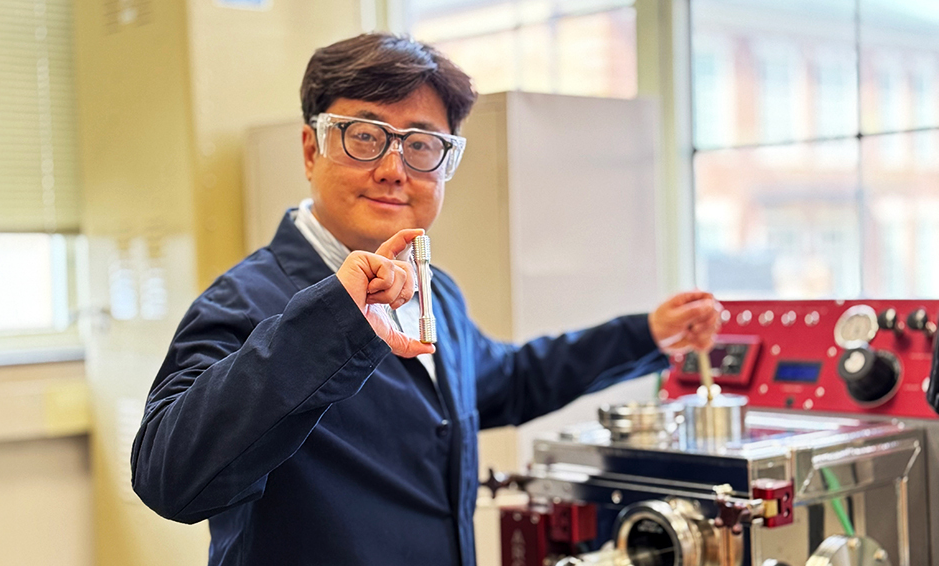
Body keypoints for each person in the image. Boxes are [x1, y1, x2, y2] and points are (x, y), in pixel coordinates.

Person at [131, 33, 719, 566]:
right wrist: (335, 318)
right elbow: (168, 476)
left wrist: (644, 335)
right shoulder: (244, 300)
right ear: (311, 150)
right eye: (364, 137)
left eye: (421, 145)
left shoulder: (436, 293)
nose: (393, 168)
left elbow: (508, 380)